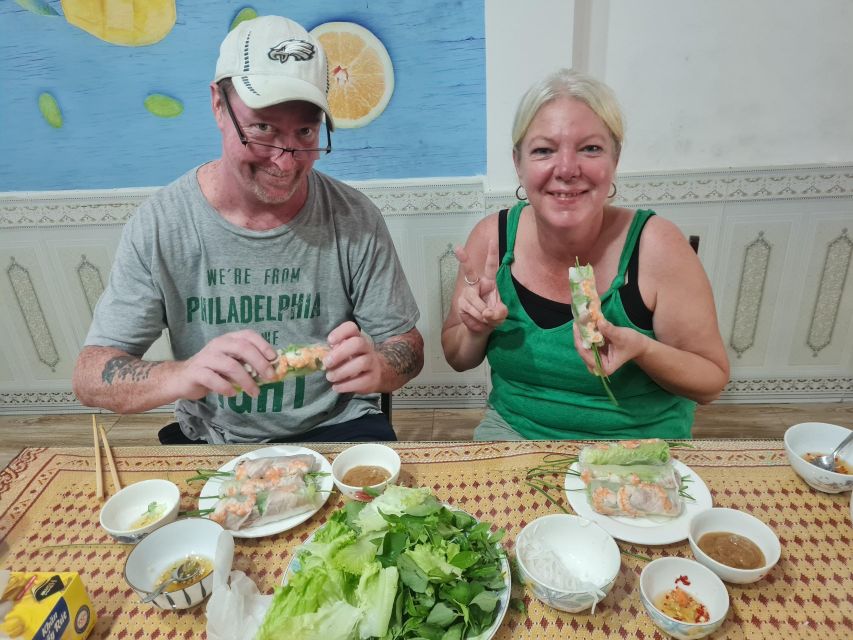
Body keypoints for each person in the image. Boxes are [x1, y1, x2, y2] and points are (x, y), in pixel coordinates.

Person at [72, 16, 423, 444]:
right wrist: (182, 374)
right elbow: (90, 375)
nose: (286, 161)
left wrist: (381, 366)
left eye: (307, 132)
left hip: (338, 426)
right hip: (216, 437)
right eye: (263, 129)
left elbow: (406, 344)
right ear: (218, 106)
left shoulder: (354, 217)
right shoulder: (162, 225)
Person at [441, 68, 729, 441]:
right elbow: (457, 357)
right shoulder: (492, 240)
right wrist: (476, 331)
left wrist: (640, 347)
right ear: (518, 163)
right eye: (543, 150)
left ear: (615, 158)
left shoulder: (656, 245)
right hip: (515, 434)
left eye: (590, 148)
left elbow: (710, 383)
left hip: (635, 445)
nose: (566, 169)